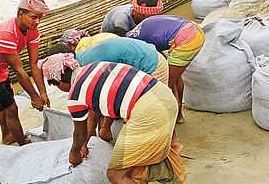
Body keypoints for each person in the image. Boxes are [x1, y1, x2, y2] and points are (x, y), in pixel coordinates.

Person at [41, 59, 186, 183]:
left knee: (116, 174)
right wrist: (86, 142)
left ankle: (168, 172)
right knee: (134, 160)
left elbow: (79, 133)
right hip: (165, 96)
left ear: (59, 81)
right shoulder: (93, 66)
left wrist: (74, 153)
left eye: (56, 86)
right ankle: (167, 173)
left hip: (149, 111)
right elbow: (93, 113)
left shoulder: (75, 95)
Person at [44, 35, 169, 141]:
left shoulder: (87, 68)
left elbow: (110, 94)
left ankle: (167, 141)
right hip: (149, 57)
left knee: (150, 116)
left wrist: (102, 129)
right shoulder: (81, 61)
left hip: (152, 66)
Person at [0, 0, 50, 145]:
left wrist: (42, 92)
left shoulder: (32, 31)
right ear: (20, 14)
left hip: (1, 70)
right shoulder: (7, 34)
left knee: (3, 106)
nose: (37, 22)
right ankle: (23, 144)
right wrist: (34, 96)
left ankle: (7, 136)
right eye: (34, 17)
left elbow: (34, 64)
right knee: (11, 108)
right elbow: (19, 70)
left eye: (40, 18)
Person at [127, 15, 205, 124]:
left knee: (164, 85)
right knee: (175, 77)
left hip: (186, 38)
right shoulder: (137, 32)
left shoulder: (131, 42)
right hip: (194, 30)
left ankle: (172, 120)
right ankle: (179, 116)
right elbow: (160, 54)